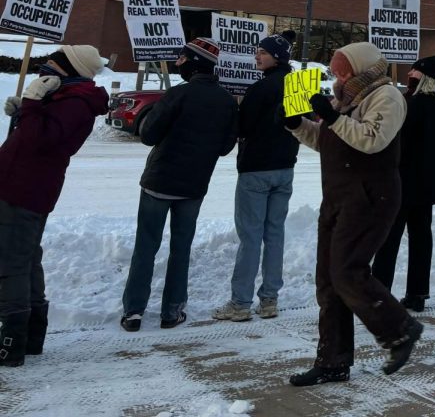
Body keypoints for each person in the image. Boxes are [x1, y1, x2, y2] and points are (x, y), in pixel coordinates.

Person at [285, 41, 422, 385]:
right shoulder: (344, 100)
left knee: (347, 271)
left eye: (342, 68)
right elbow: (325, 140)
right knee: (329, 281)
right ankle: (332, 359)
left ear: (360, 68)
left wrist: (332, 117)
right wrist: (296, 125)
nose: (336, 75)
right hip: (338, 198)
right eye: (334, 68)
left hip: (370, 198)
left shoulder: (387, 97)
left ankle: (400, 330)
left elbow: (371, 139)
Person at [121, 39, 239, 332]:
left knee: (146, 246)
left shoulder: (178, 94)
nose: (178, 63)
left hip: (158, 182)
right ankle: (172, 311)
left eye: (183, 58)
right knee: (181, 248)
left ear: (194, 63)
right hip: (194, 186)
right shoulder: (227, 101)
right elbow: (226, 147)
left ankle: (133, 312)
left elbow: (148, 134)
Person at [0, 46, 108, 367]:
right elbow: (36, 134)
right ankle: (31, 338)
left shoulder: (76, 103)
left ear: (68, 70)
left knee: (10, 265)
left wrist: (32, 103)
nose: (43, 69)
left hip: (24, 190)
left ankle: (11, 342)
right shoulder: (66, 98)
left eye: (51, 64)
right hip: (20, 186)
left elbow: (39, 141)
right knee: (26, 259)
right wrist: (24, 110)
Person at [212, 31, 298, 323]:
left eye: (262, 51)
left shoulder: (259, 89)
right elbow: (300, 126)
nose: (256, 56)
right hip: (286, 167)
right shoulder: (298, 84)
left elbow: (244, 127)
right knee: (275, 235)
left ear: (277, 56)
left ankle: (240, 303)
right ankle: (270, 300)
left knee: (250, 237)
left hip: (256, 170)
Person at [371, 55, 435, 310]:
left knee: (389, 239)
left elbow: (398, 143)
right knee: (421, 237)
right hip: (427, 186)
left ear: (422, 78)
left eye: (413, 75)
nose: (409, 79)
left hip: (404, 183)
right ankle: (418, 293)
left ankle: (379, 292)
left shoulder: (411, 105)